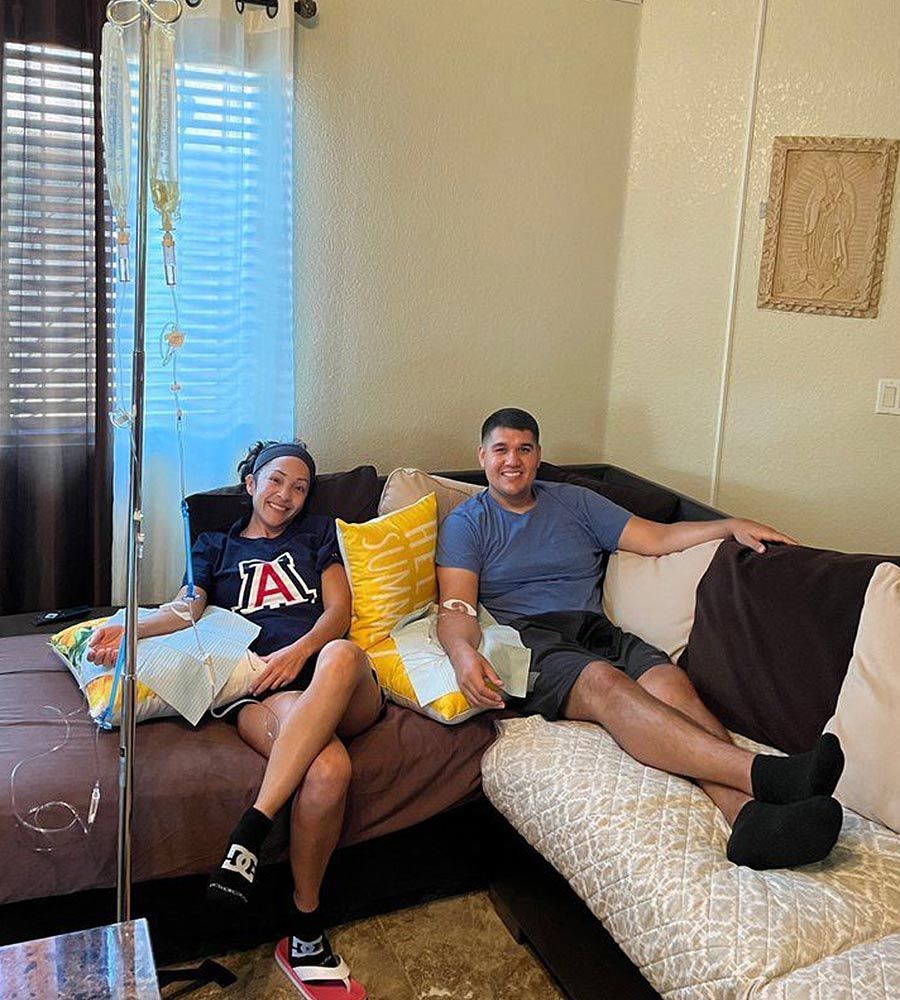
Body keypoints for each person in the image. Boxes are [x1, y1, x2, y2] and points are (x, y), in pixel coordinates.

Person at [436, 408, 845, 871]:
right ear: (482, 456)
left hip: (593, 628)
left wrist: (729, 526)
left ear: (538, 456)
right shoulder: (467, 522)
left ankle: (746, 816)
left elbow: (657, 537)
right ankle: (766, 775)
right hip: (528, 639)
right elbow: (456, 607)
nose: (513, 460)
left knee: (670, 685)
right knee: (605, 684)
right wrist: (462, 653)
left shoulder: (575, 502)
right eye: (501, 450)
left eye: (524, 449)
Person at [87, 440, 378, 1000]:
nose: (286, 496)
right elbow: (184, 609)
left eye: (299, 488)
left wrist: (299, 652)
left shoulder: (317, 535)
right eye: (276, 481)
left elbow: (340, 614)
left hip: (333, 680)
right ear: (250, 483)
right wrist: (128, 627)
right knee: (327, 770)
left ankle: (253, 826)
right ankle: (306, 936)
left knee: (342, 654)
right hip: (260, 692)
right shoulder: (212, 545)